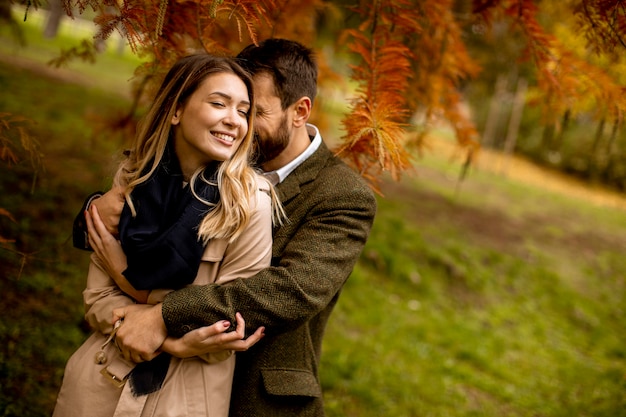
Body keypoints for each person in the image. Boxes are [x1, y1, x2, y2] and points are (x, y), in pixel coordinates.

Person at [87, 38, 377, 416]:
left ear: (300, 110)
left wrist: (162, 315)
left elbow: (292, 290)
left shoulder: (341, 195)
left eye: (253, 111)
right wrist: (93, 210)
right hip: (156, 375)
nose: (239, 124)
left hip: (255, 392)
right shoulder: (215, 156)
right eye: (233, 106)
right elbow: (153, 210)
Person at [53, 54, 281, 417]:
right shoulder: (133, 180)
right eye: (219, 103)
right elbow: (96, 298)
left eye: (243, 111)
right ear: (176, 110)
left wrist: (132, 284)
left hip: (184, 399)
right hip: (100, 383)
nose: (233, 121)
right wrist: (175, 342)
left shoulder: (250, 203)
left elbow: (234, 321)